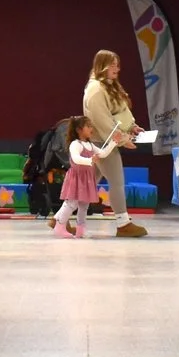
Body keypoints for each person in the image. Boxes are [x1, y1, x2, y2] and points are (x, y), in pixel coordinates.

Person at [82, 50, 149, 238]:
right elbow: (103, 121)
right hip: (103, 142)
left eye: (117, 65)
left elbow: (120, 112)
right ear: (102, 66)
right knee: (117, 182)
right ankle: (123, 223)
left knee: (87, 183)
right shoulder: (96, 89)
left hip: (107, 140)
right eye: (112, 65)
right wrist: (123, 139)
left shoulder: (108, 86)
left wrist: (132, 127)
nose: (117, 69)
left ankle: (61, 218)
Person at [54, 117, 104, 239]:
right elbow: (76, 159)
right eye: (88, 126)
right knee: (72, 203)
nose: (91, 128)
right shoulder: (75, 144)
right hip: (76, 177)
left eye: (91, 126)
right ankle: (59, 226)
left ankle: (80, 229)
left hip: (87, 177)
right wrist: (90, 160)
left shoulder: (90, 145)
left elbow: (102, 153)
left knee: (84, 205)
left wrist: (114, 142)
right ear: (79, 130)